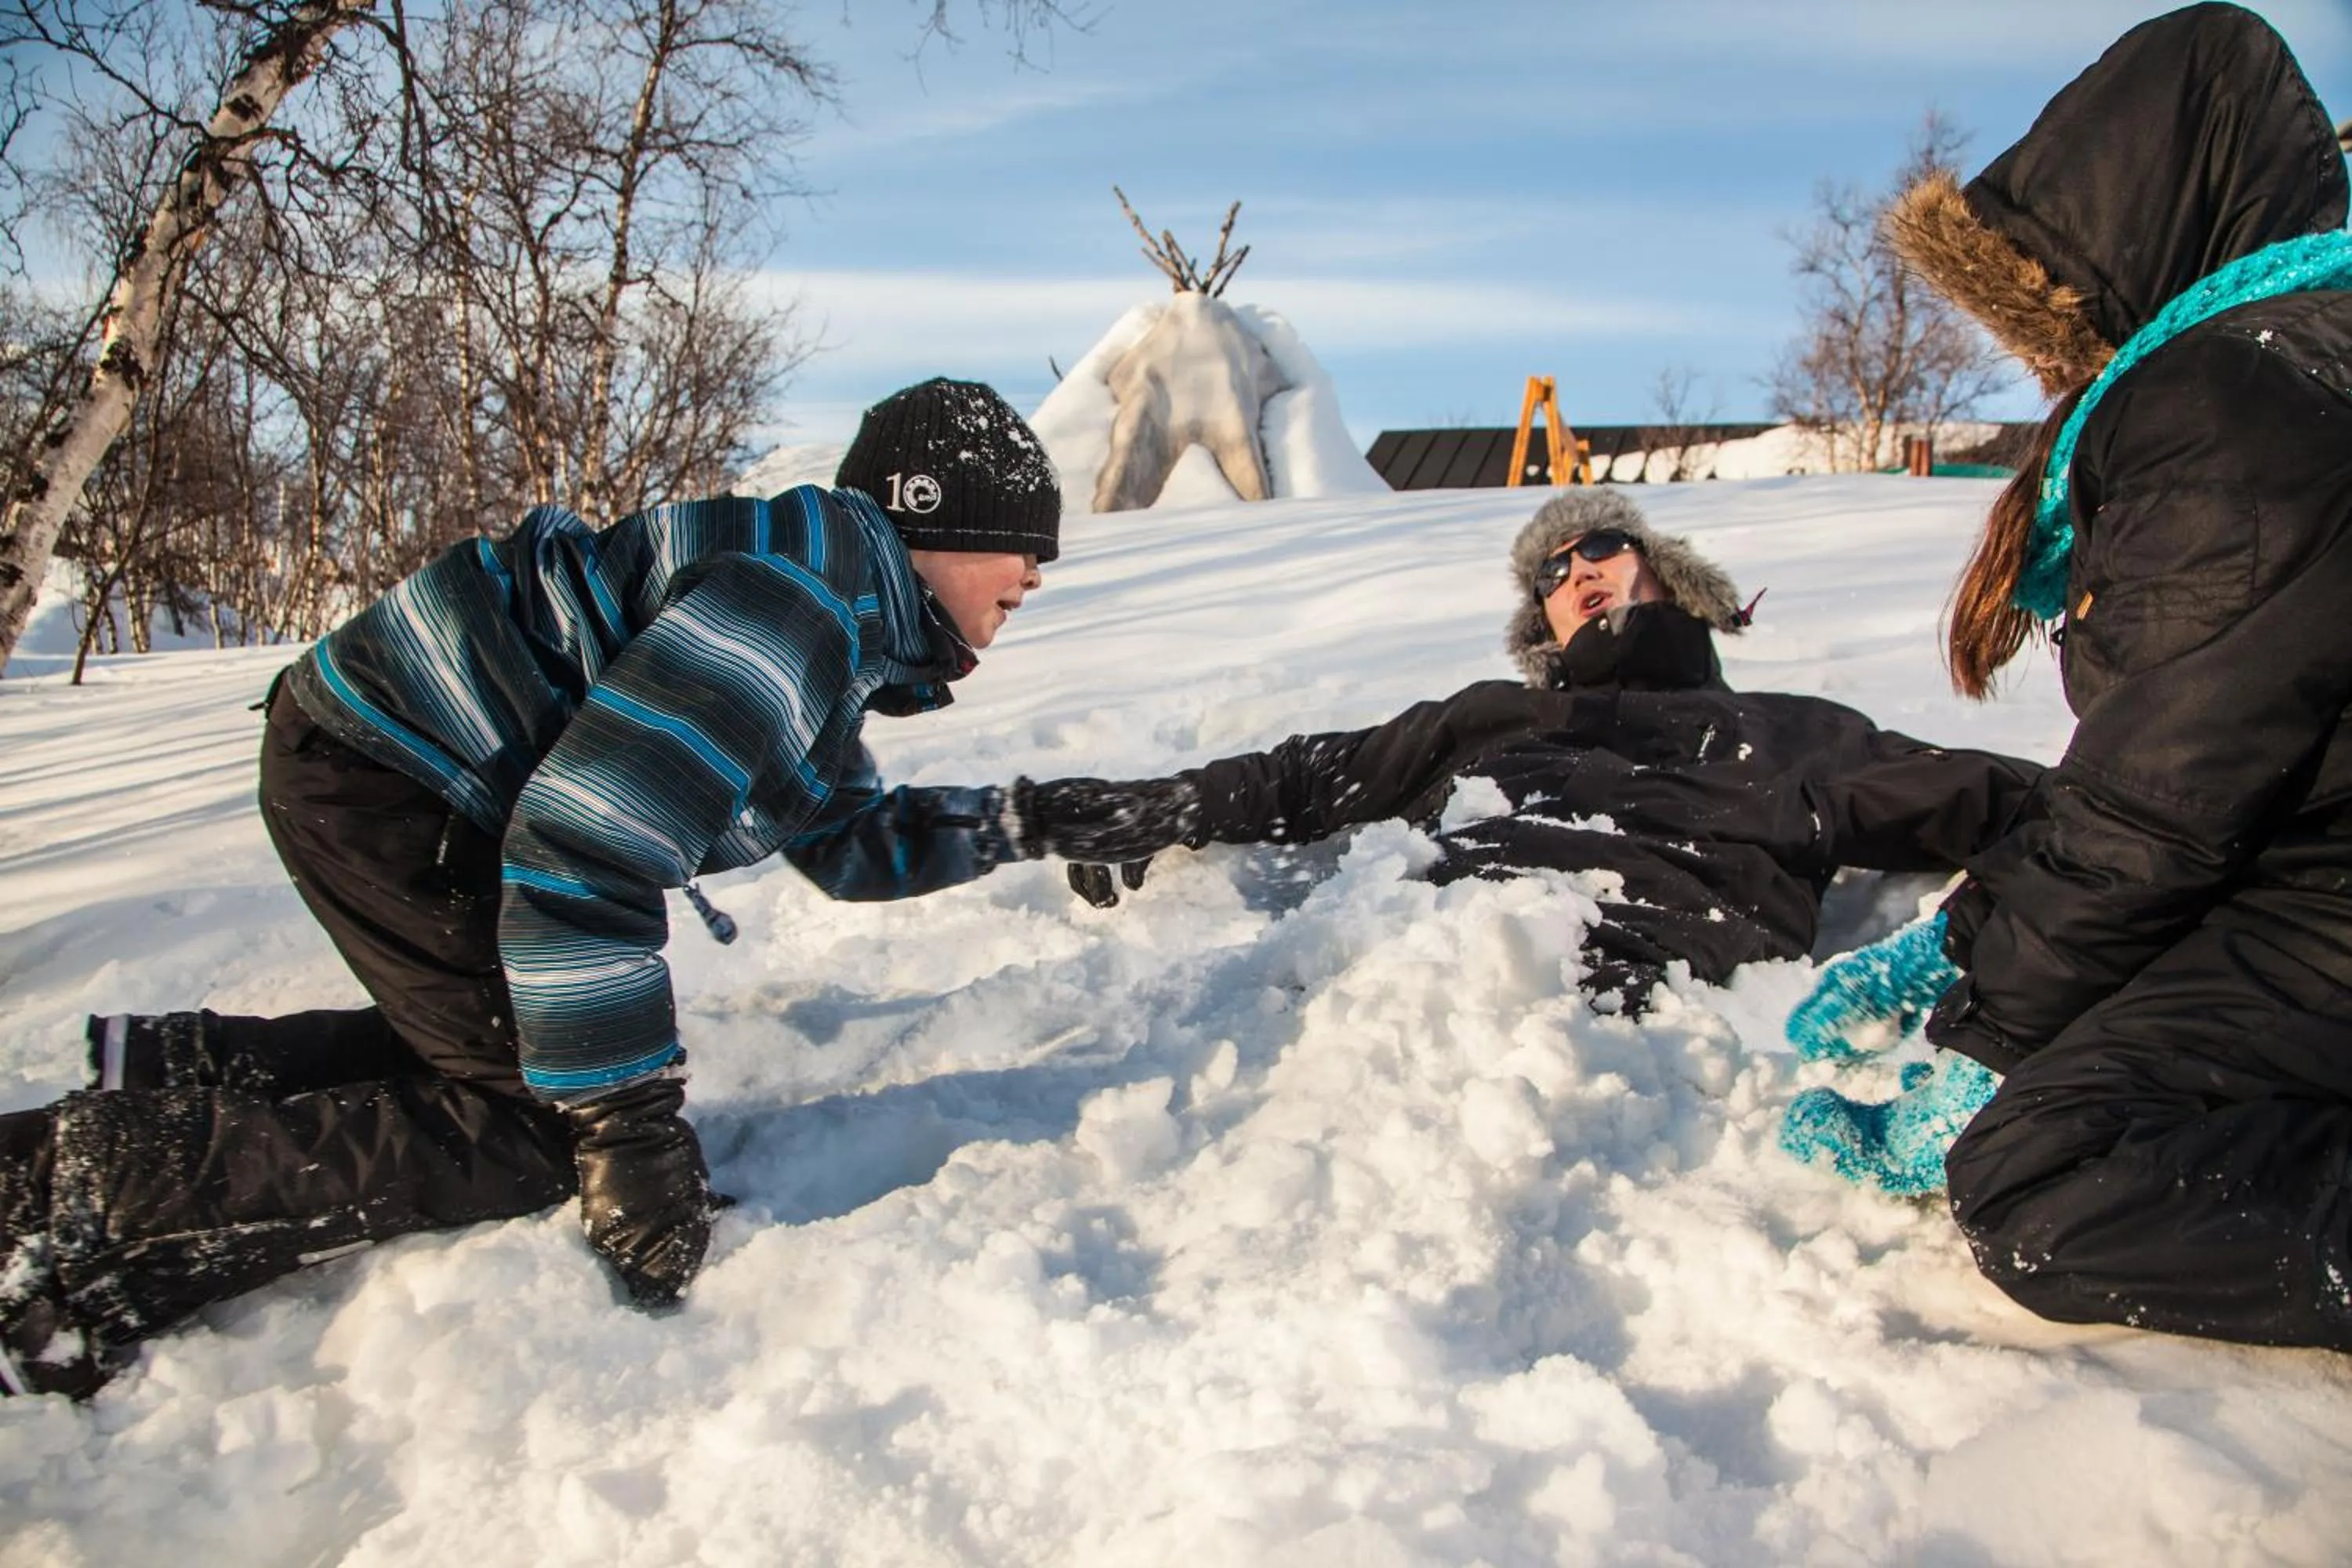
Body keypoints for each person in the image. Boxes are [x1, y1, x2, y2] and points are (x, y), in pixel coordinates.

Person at [0, 377, 1080, 1399]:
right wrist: (625, 1125)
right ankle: (75, 1193)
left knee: (517, 1049)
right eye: (1021, 548)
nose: (1033, 578)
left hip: (393, 760)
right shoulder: (792, 609)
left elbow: (856, 843)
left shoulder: (828, 610)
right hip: (399, 776)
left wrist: (1048, 819)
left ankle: (175, 1074)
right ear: (933, 522)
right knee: (530, 1130)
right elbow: (584, 849)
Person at [1782, 2, 2352, 1351]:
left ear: (2132, 242)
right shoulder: (2295, 357)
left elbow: (2167, 803)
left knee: (2043, 1174)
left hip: (2319, 894)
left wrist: (1990, 1045)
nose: (2039, 355)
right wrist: (1969, 940)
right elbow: (2194, 752)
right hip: (2311, 870)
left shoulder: (2234, 393)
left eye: (2036, 299)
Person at [1012, 488, 2043, 1011]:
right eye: (1551, 571)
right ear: (1541, 624)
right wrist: (1158, 806)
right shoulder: (1492, 715)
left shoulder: (1791, 727)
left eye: (1601, 546)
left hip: (1648, 992)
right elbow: (1306, 774)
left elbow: (2004, 801)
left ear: (1664, 572)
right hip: (1429, 973)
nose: (1577, 570)